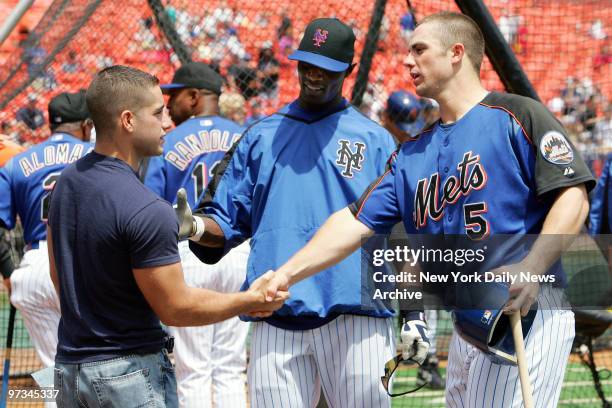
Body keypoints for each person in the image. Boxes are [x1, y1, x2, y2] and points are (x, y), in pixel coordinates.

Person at [259, 12, 595, 408]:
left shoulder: (517, 115)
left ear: (456, 54)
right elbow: (352, 222)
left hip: (525, 312)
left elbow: (572, 195)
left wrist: (534, 264)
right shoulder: (413, 154)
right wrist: (286, 272)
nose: (406, 61)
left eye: (419, 50)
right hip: (468, 325)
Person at [181, 18, 399, 407]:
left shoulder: (375, 140)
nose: (314, 75)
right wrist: (193, 226)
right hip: (274, 310)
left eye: (326, 68)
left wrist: (413, 311)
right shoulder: (262, 136)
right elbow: (225, 221)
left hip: (358, 314)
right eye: (306, 65)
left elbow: (403, 232)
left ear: (348, 71)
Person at [47, 65, 287, 407]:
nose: (167, 123)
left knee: (197, 370)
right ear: (128, 120)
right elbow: (176, 307)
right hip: (128, 372)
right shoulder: (146, 207)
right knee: (225, 367)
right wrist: (250, 301)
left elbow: (60, 278)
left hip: (70, 368)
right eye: (158, 113)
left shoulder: (66, 183)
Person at [143, 62, 250, 408]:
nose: (169, 106)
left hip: (190, 249)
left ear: (193, 97)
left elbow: (154, 206)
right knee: (231, 365)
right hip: (239, 249)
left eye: (173, 97)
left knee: (193, 368)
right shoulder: (248, 136)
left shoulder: (167, 141)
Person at [0, 91, 93, 382]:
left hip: (33, 268)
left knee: (55, 376)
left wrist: (8, 272)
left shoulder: (17, 162)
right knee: (96, 372)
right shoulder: (97, 156)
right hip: (82, 266)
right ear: (87, 125)